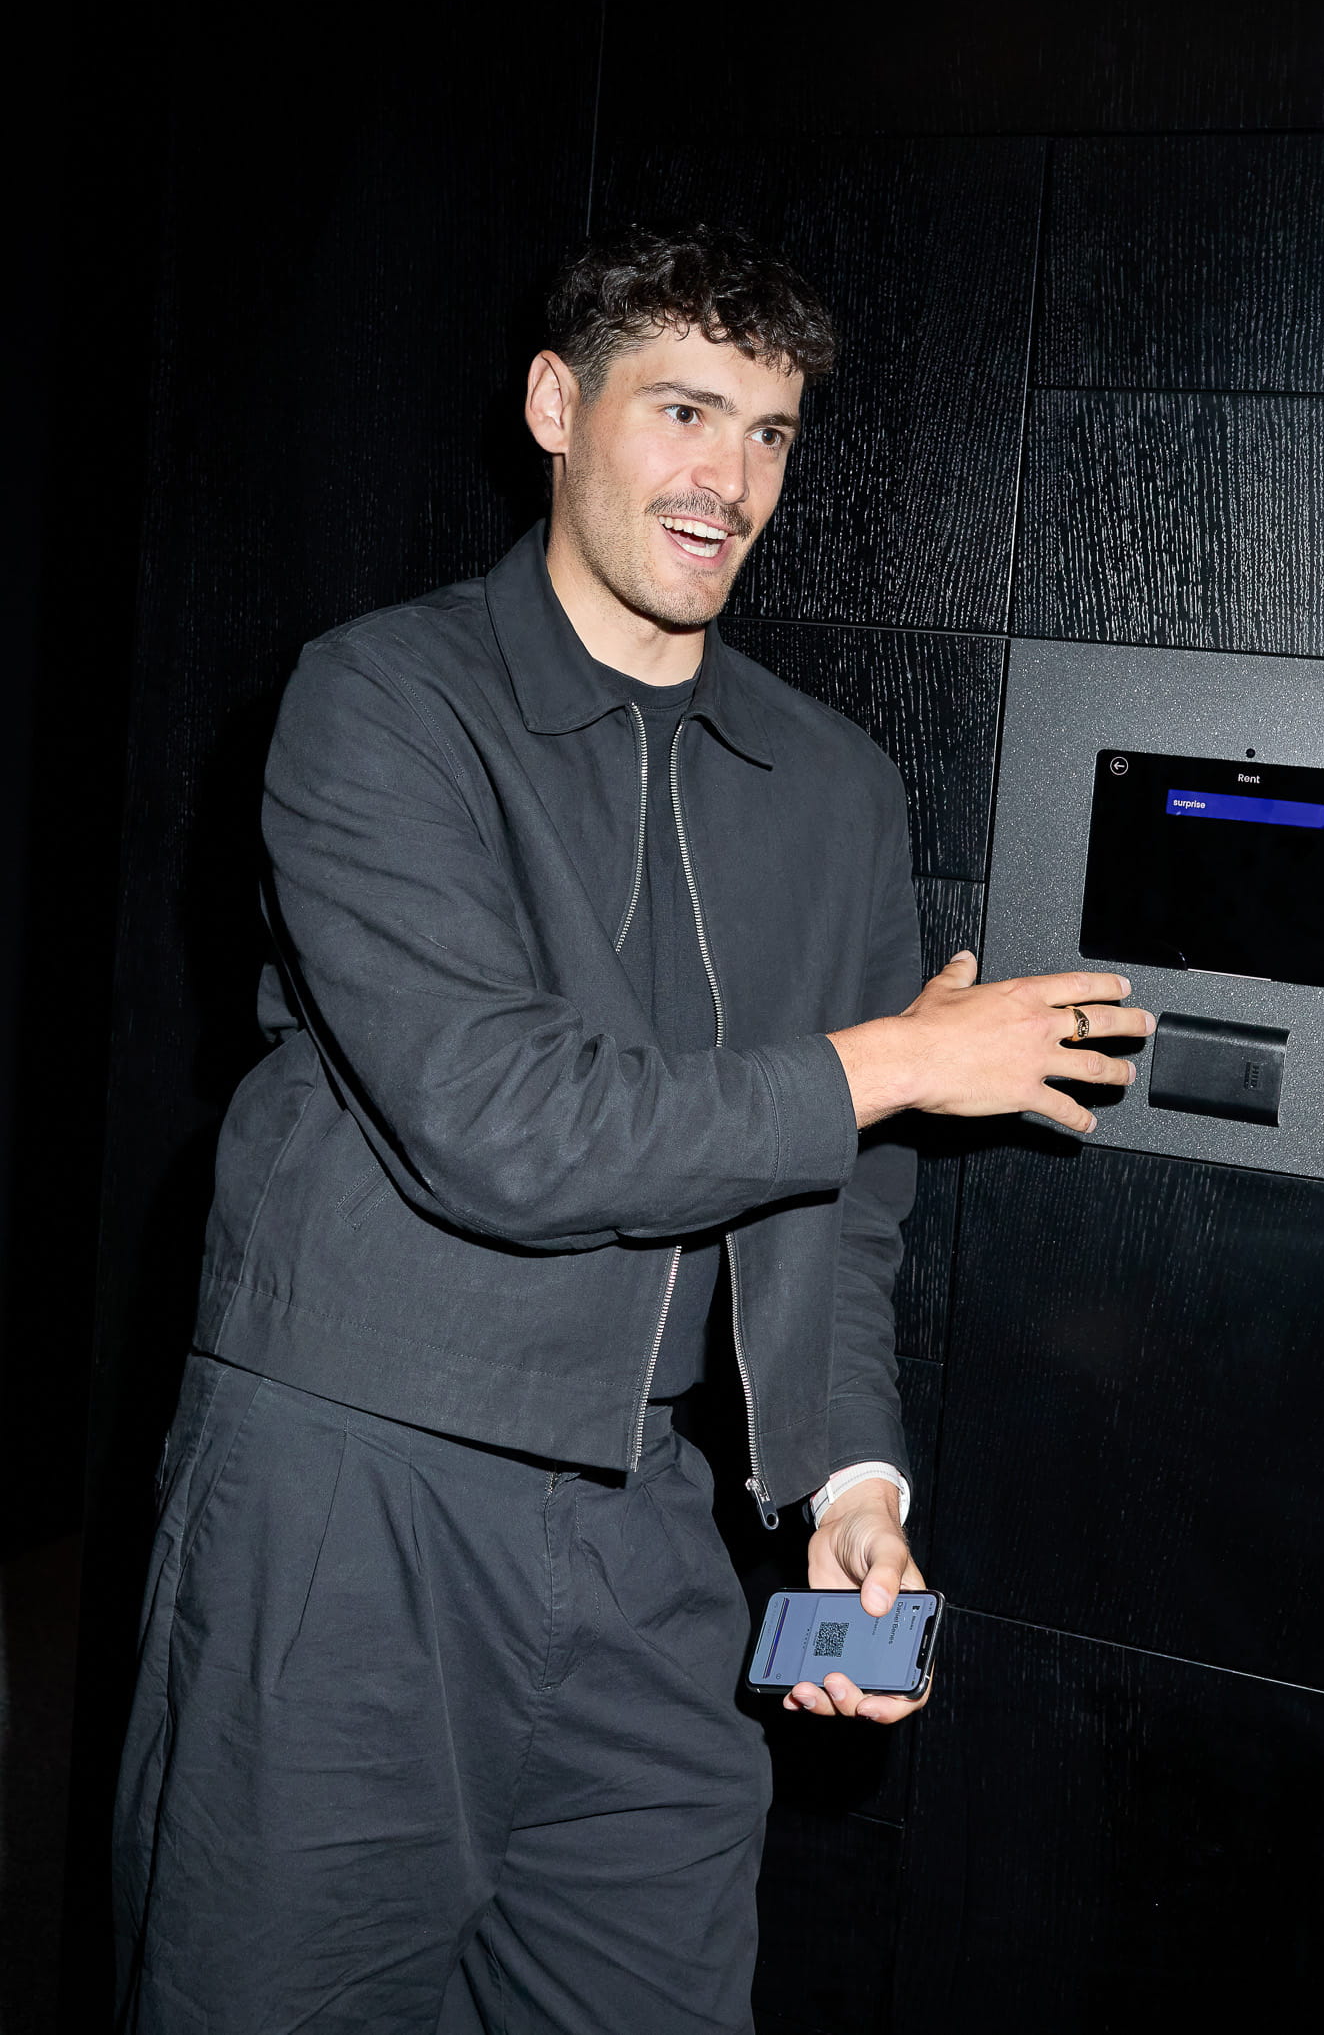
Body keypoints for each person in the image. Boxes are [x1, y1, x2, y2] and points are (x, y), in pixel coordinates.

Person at [113, 223, 1152, 2034]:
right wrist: (895, 1059)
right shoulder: (380, 702)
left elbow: (842, 1213)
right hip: (351, 1507)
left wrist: (849, 1487)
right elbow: (501, 1124)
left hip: (655, 1535)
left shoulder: (833, 782)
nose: (728, 478)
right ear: (553, 407)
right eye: (685, 411)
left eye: (769, 432)